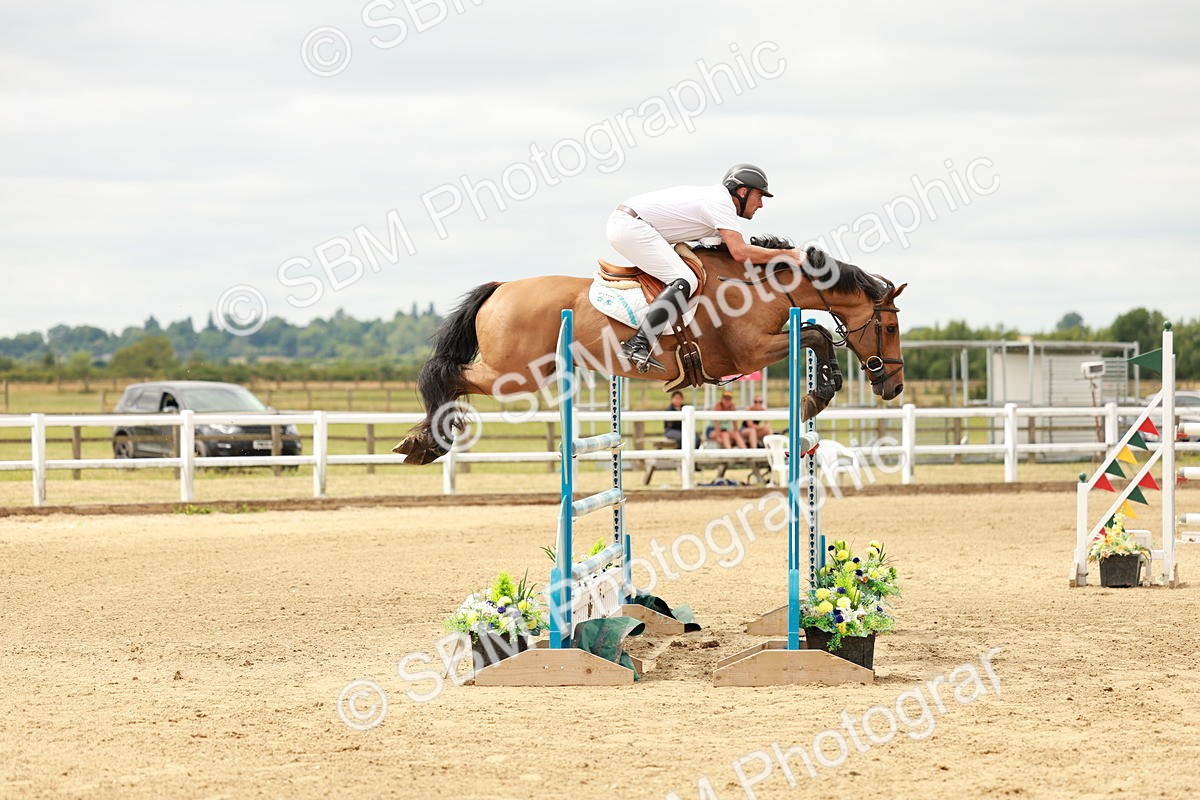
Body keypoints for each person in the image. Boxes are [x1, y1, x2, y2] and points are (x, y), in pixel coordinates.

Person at [607, 164, 806, 373]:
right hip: (629, 226)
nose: (761, 204)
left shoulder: (719, 205)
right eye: (760, 195)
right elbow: (740, 252)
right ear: (743, 191)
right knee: (685, 280)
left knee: (687, 276)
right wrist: (790, 255)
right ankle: (637, 343)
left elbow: (730, 252)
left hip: (632, 223)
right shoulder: (721, 204)